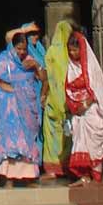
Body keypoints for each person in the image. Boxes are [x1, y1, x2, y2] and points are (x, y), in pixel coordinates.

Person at [0, 30, 46, 182]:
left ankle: (27, 174)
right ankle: (7, 174)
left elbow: (44, 79)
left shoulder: (30, 60)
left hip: (26, 105)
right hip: (7, 105)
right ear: (12, 47)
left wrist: (37, 65)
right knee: (8, 137)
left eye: (24, 49)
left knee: (26, 138)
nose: (21, 52)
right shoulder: (1, 61)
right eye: (18, 49)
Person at [64, 30, 103, 182]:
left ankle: (96, 177)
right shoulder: (71, 67)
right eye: (70, 50)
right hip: (79, 113)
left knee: (94, 143)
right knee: (80, 142)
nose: (72, 53)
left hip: (92, 111)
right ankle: (84, 177)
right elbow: (68, 88)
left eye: (75, 50)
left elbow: (97, 90)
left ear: (82, 49)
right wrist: (76, 106)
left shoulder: (91, 68)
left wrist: (86, 103)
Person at [41, 20, 74, 178]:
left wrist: (43, 95)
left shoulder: (52, 52)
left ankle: (53, 169)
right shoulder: (72, 53)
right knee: (68, 134)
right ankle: (68, 166)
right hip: (68, 101)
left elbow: (47, 77)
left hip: (53, 100)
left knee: (51, 134)